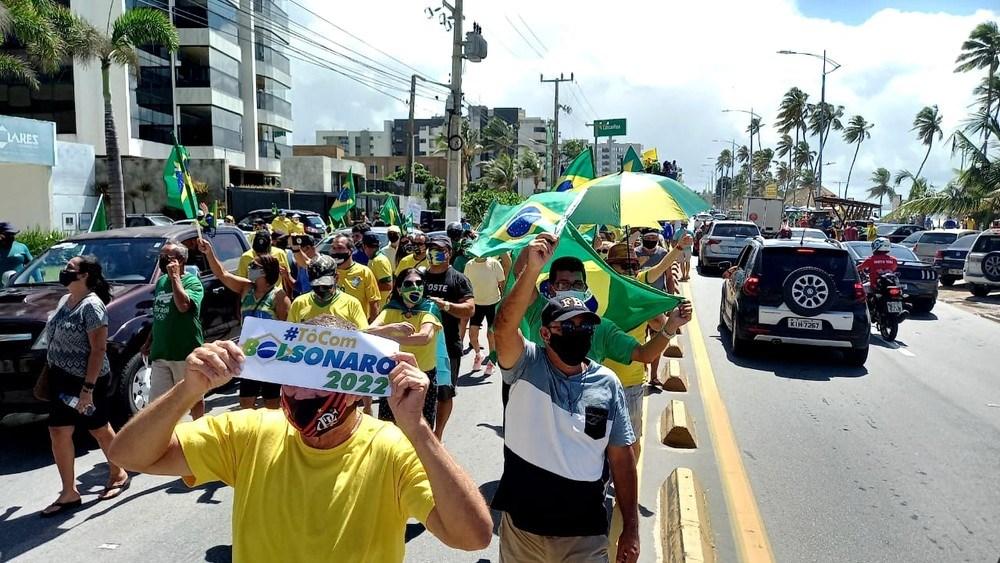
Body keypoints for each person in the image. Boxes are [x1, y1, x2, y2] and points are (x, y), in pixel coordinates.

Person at [108, 316, 493, 562]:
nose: (303, 393)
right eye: (295, 377)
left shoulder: (393, 448)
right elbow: (129, 455)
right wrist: (189, 390)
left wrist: (418, 431)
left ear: (357, 390)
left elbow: (472, 537)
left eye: (320, 382)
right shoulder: (249, 431)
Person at [493, 234, 639, 562]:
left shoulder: (608, 384)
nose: (581, 333)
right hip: (523, 534)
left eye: (585, 326)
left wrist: (631, 526)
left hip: (585, 537)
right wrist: (531, 270)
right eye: (569, 327)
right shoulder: (525, 366)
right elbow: (503, 328)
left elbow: (621, 459)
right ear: (545, 334)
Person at [40, 255, 130, 516]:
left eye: (70, 268)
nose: (64, 271)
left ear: (84, 276)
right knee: (58, 432)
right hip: (61, 378)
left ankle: (118, 472)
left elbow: (98, 349)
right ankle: (68, 492)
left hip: (88, 381)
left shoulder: (92, 306)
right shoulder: (65, 300)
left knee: (99, 429)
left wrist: (87, 390)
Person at [603, 242, 690, 456]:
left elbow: (661, 267)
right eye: (625, 266)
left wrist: (679, 248)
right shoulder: (598, 285)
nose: (631, 270)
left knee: (631, 441)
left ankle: (628, 488)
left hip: (631, 383)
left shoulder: (640, 285)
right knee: (597, 441)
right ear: (610, 267)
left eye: (634, 265)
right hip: (598, 380)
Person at [199, 239, 290, 409]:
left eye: (254, 267)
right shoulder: (246, 289)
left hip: (270, 356)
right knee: (246, 402)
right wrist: (209, 253)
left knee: (271, 403)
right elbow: (222, 274)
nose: (249, 269)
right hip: (248, 356)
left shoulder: (279, 296)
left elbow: (286, 329)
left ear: (266, 271)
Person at [371, 268, 442, 427]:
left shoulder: (429, 308)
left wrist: (387, 335)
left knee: (421, 426)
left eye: (419, 283)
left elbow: (424, 337)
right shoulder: (391, 309)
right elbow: (367, 332)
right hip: (394, 374)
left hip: (422, 376)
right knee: (389, 426)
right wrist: (390, 328)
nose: (415, 287)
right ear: (399, 288)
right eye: (409, 283)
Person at [143, 242, 206, 419]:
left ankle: (200, 433)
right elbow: (159, 314)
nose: (162, 260)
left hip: (185, 353)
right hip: (161, 352)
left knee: (193, 399)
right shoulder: (161, 281)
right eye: (161, 256)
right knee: (159, 403)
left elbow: (183, 306)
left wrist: (175, 278)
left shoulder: (192, 283)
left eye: (167, 257)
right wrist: (149, 340)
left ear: (180, 260)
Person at [422, 235, 474, 440]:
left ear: (449, 253)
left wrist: (446, 305)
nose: (433, 252)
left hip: (448, 345)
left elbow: (470, 309)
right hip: (419, 346)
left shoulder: (458, 279)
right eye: (431, 248)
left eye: (439, 249)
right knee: (418, 391)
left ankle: (438, 435)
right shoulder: (417, 277)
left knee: (445, 393)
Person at [287, 255, 368, 329]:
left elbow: (363, 335)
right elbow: (288, 334)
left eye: (325, 284)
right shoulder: (299, 303)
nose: (321, 288)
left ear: (336, 278)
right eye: (316, 285)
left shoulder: (352, 304)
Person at [464, 254, 506, 375]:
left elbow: (501, 283)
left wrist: (503, 300)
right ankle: (478, 354)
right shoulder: (469, 265)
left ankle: (492, 362)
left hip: (493, 303)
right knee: (472, 334)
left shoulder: (494, 263)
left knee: (490, 334)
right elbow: (466, 284)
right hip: (476, 304)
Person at [327, 234, 381, 322]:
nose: (335, 252)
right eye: (333, 248)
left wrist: (370, 328)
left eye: (340, 248)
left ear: (350, 250)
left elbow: (374, 303)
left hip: (356, 328)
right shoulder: (327, 271)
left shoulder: (364, 272)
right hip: (334, 328)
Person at [361, 233, 394, 311]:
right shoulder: (373, 259)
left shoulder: (379, 261)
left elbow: (387, 285)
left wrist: (365, 286)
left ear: (364, 246)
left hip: (381, 307)